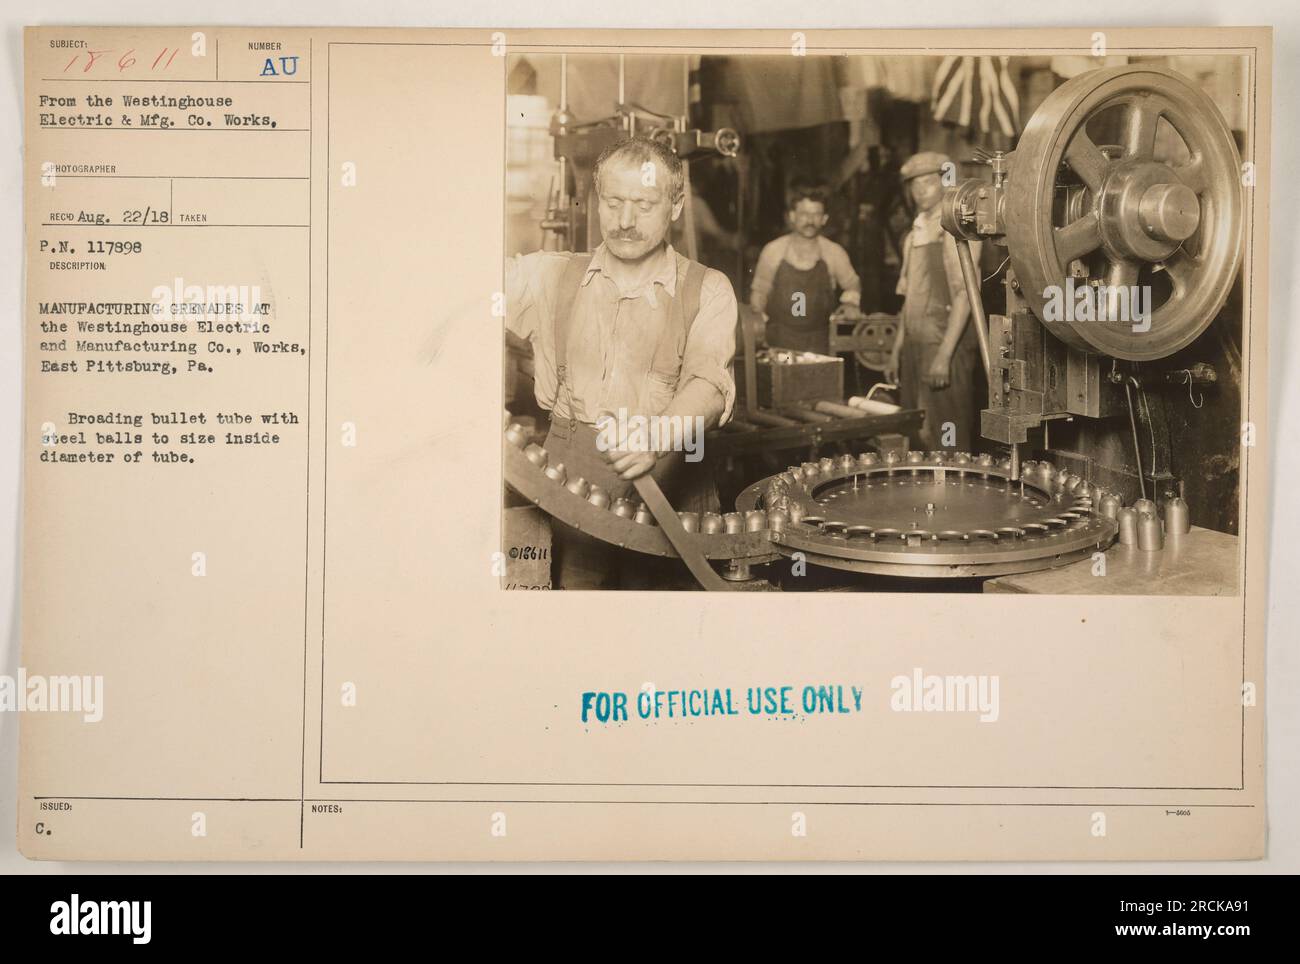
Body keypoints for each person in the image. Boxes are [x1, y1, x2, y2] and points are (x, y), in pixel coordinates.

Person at [506, 137, 738, 589]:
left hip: (671, 475)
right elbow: (457, 284)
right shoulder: (546, 275)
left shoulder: (708, 289)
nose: (625, 221)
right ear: (596, 199)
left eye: (644, 205)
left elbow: (708, 383)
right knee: (575, 619)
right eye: (613, 202)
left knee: (669, 626)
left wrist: (658, 434)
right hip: (570, 474)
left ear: (675, 206)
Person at [891, 151, 982, 451]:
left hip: (946, 346)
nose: (920, 191)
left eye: (929, 182)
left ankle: (955, 496)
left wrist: (944, 355)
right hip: (916, 349)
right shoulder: (913, 233)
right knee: (917, 432)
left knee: (948, 433)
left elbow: (965, 294)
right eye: (914, 184)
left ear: (945, 183)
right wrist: (897, 350)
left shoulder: (957, 228)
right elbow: (909, 299)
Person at [749, 183, 862, 354]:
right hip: (778, 340)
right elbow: (759, 292)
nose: (810, 221)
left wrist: (851, 303)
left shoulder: (834, 252)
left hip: (821, 342)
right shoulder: (773, 251)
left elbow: (852, 284)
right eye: (804, 214)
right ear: (792, 216)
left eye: (816, 214)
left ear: (824, 219)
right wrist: (758, 327)